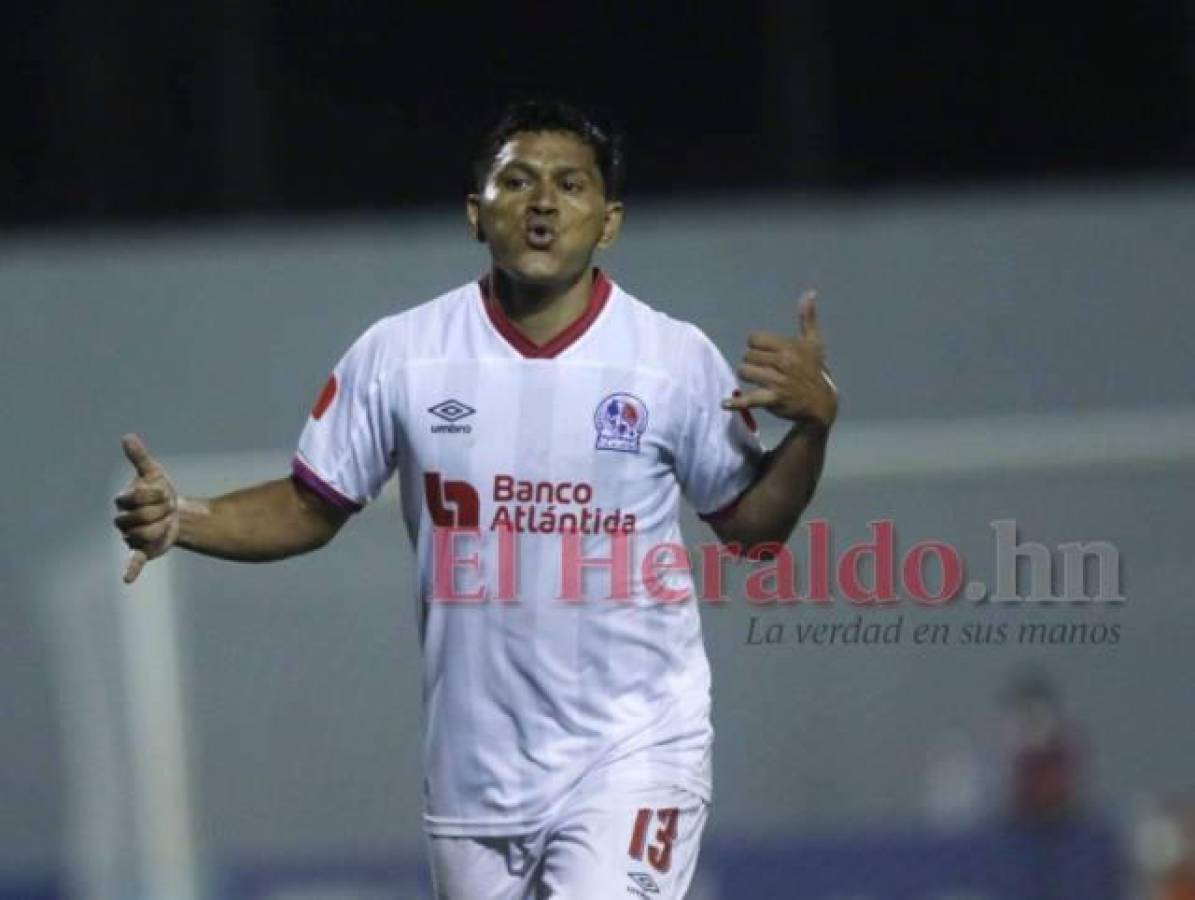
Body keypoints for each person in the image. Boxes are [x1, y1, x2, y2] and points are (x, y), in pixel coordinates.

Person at [113, 99, 838, 899]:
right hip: (472, 776)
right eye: (517, 182)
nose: (541, 205)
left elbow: (755, 531)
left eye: (569, 186)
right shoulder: (402, 355)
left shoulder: (670, 361)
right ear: (475, 213)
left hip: (634, 751)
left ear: (608, 222)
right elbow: (308, 506)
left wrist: (811, 431)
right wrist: (184, 518)